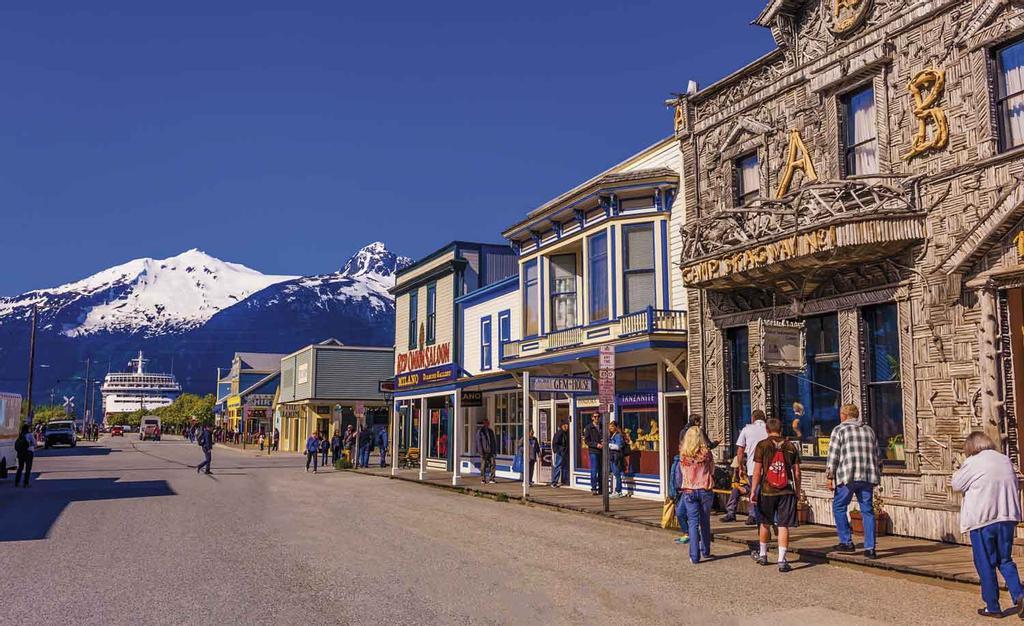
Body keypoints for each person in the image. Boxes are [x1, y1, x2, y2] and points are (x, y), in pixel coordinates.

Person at [952, 432, 1024, 619]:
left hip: (983, 518)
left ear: (971, 447)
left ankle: (992, 606)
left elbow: (956, 484)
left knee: (985, 563)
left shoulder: (973, 462)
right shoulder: (1004, 459)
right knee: (1005, 559)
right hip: (1007, 516)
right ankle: (1020, 595)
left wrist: (958, 468)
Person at [826, 403, 881, 559]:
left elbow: (833, 456)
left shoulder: (839, 430)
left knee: (839, 506)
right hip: (867, 475)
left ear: (843, 415)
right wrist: (878, 473)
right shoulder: (869, 430)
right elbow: (877, 454)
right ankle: (870, 548)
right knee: (867, 511)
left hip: (847, 475)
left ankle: (846, 542)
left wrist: (830, 476)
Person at [750, 417, 801, 573]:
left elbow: (757, 471)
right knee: (783, 525)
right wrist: (798, 491)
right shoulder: (791, 446)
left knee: (765, 522)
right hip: (786, 490)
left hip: (767, 489)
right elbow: (797, 472)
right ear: (781, 429)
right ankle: (781, 559)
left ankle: (764, 554)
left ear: (767, 430)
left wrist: (753, 490)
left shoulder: (762, 445)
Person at [679, 426, 715, 564]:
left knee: (692, 523)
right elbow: (712, 469)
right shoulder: (706, 453)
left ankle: (694, 556)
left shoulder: (683, 454)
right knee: (705, 521)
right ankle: (705, 550)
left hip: (689, 489)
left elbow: (682, 471)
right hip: (705, 488)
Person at [734, 409, 769, 526]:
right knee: (767, 494)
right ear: (763, 418)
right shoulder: (769, 429)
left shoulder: (746, 429)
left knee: (754, 493)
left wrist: (740, 467)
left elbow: (740, 450)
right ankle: (768, 519)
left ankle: (755, 517)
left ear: (753, 418)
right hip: (769, 468)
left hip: (752, 467)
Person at [719, 456, 750, 523]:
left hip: (750, 485)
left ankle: (753, 516)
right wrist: (739, 487)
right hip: (742, 486)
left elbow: (753, 483)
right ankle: (731, 514)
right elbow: (734, 483)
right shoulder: (736, 471)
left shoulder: (749, 470)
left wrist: (744, 475)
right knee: (735, 491)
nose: (736, 468)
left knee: (754, 492)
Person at [584, 413, 603, 495]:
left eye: (598, 417)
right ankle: (594, 488)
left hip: (602, 451)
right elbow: (587, 441)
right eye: (595, 417)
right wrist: (596, 444)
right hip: (593, 451)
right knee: (594, 470)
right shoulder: (589, 427)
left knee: (602, 470)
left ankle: (601, 488)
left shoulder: (602, 426)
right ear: (592, 418)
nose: (597, 418)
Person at [477, 419, 497, 484]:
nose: (487, 424)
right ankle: (483, 479)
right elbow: (479, 442)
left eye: (488, 423)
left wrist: (494, 451)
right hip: (484, 452)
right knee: (483, 465)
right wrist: (481, 452)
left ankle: (492, 479)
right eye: (486, 423)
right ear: (484, 423)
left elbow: (493, 442)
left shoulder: (491, 431)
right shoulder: (480, 431)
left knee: (493, 464)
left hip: (491, 451)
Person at [550, 420, 570, 487]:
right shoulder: (560, 433)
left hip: (564, 452)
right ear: (562, 426)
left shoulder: (566, 433)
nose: (567, 426)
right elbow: (555, 443)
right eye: (566, 425)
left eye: (567, 425)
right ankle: (554, 482)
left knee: (565, 467)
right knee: (558, 466)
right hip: (560, 452)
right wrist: (557, 451)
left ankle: (565, 480)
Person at [608, 422, 625, 498]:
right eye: (609, 427)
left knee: (617, 474)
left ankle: (618, 491)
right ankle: (615, 490)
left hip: (616, 457)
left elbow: (618, 446)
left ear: (615, 427)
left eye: (611, 427)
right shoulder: (612, 435)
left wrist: (608, 445)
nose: (610, 428)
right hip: (612, 456)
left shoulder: (618, 435)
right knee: (614, 473)